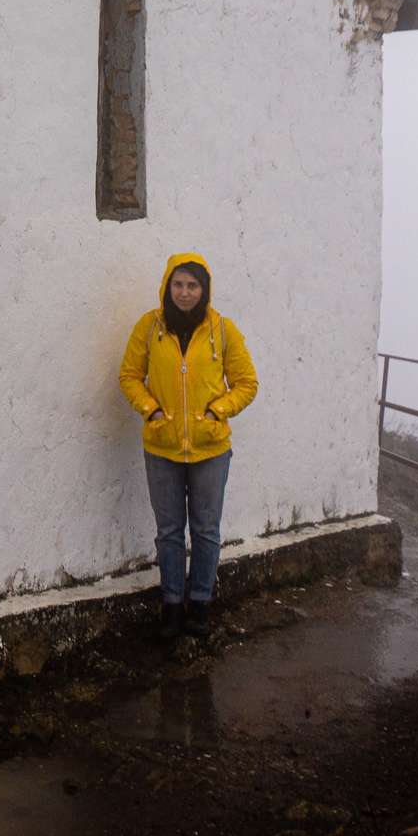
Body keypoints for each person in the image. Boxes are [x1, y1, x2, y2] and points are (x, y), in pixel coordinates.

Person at [117, 252, 258, 637]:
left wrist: (218, 410)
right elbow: (129, 375)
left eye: (192, 285)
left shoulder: (222, 330)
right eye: (178, 284)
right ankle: (172, 605)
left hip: (210, 450)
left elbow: (247, 383)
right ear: (167, 285)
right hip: (162, 448)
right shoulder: (149, 327)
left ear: (204, 289)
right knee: (168, 531)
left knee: (206, 530)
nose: (184, 292)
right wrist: (151, 411)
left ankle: (200, 604)